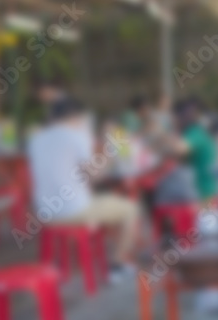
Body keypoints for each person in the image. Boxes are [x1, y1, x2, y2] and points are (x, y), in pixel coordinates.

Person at [27, 97, 141, 280]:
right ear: (77, 117)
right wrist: (110, 151)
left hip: (43, 213)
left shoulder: (36, 139)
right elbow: (95, 175)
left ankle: (84, 253)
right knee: (131, 209)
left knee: (106, 204)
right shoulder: (77, 135)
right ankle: (117, 265)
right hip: (74, 212)